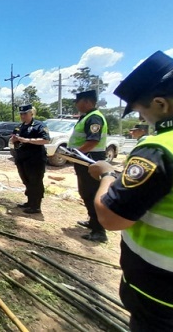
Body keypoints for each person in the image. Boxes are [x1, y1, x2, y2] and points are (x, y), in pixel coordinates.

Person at [88, 50, 173, 330]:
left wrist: (108, 175)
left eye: (141, 112)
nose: (143, 120)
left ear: (161, 104)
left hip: (163, 292)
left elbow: (112, 217)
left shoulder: (161, 149)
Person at [69, 89, 109, 242]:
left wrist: (76, 153)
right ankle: (93, 221)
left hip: (90, 160)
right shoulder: (87, 117)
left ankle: (99, 231)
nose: (76, 105)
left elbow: (93, 141)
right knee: (85, 192)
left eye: (77, 102)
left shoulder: (94, 118)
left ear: (86, 101)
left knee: (92, 193)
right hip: (84, 160)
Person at [10, 104, 50, 214]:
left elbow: (46, 140)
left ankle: (36, 206)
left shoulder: (39, 125)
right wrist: (14, 140)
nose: (22, 116)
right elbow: (14, 139)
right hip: (22, 159)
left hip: (35, 159)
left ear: (31, 113)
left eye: (25, 114)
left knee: (35, 182)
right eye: (21, 114)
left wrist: (27, 140)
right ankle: (30, 201)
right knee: (26, 181)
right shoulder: (19, 126)